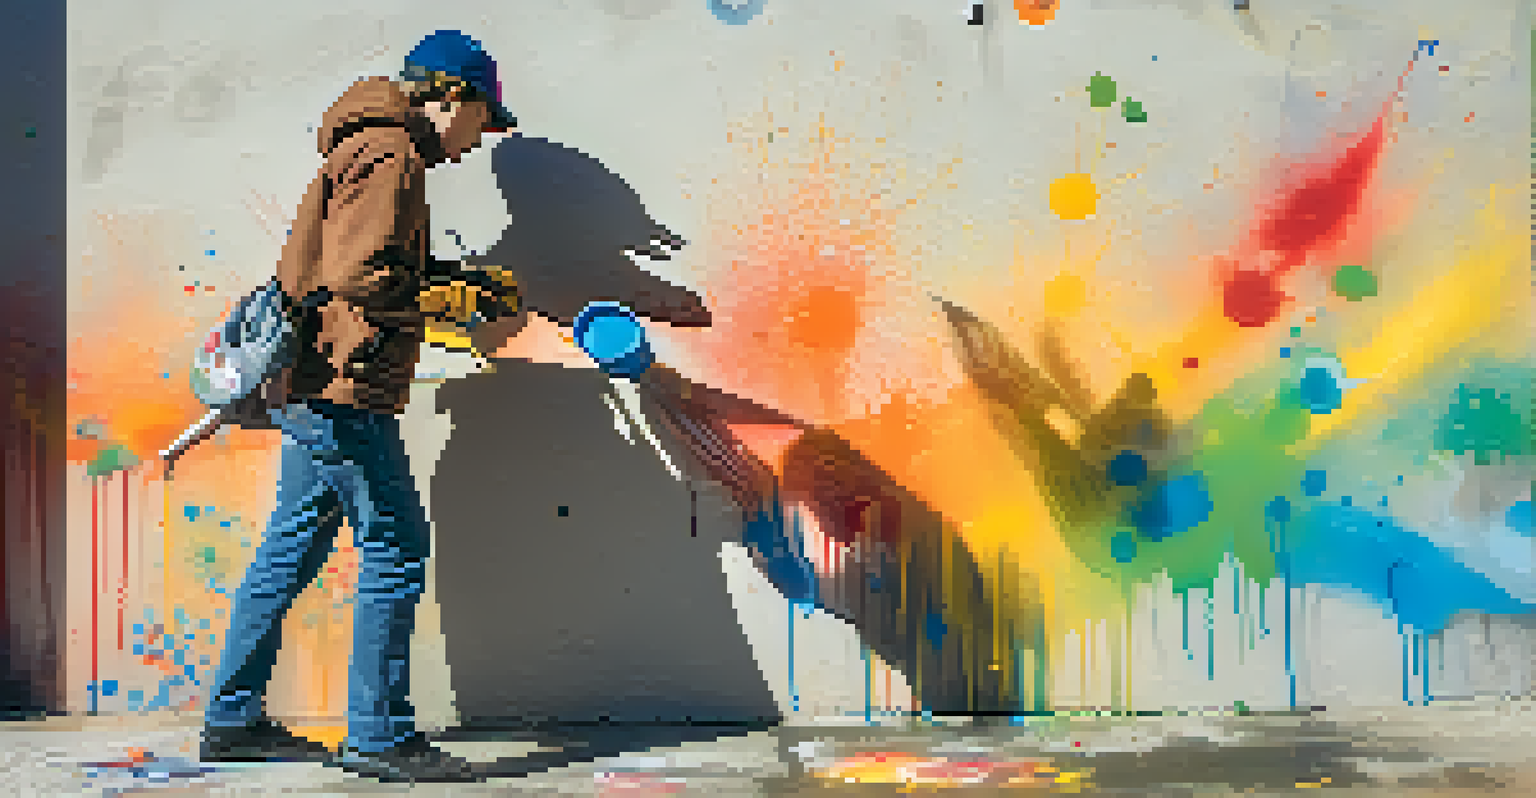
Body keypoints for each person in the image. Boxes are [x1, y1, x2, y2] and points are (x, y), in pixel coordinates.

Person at [197, 30, 526, 784]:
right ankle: (379, 735)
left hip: (315, 381)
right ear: (452, 96)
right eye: (483, 121)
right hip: (344, 385)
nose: (479, 142)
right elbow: (359, 272)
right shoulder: (394, 154)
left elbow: (362, 261)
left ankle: (232, 719)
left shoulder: (370, 144)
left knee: (290, 552)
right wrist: (449, 299)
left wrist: (456, 279)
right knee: (397, 546)